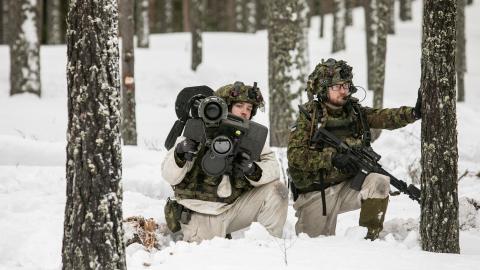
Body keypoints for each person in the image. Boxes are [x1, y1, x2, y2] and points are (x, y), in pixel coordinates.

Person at [287, 58, 422, 240]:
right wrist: (331, 158)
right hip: (317, 193)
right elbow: (295, 155)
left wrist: (413, 113)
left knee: (379, 181)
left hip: (348, 188)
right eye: (337, 86)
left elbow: (384, 117)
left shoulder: (355, 112)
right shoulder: (310, 117)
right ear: (323, 89)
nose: (344, 91)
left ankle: (368, 238)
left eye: (346, 85)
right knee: (313, 247)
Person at [162, 81, 288, 242]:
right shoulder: (197, 128)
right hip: (199, 211)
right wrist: (180, 153)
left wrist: (253, 170)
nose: (244, 112)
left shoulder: (250, 137)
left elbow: (273, 167)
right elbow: (169, 175)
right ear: (225, 106)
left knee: (278, 191)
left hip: (232, 210)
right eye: (240, 106)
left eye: (249, 109)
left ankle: (268, 246)